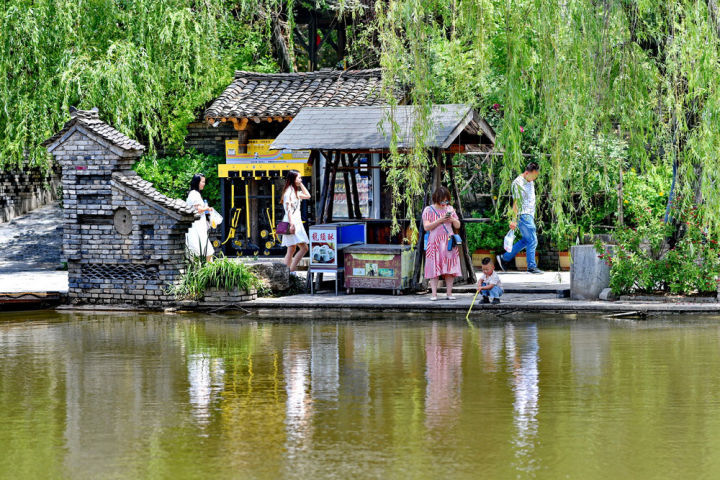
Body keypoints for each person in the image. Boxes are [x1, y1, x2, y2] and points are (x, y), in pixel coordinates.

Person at [497, 162, 544, 274]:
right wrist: (514, 220)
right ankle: (531, 267)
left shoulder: (530, 181)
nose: (534, 179)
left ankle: (504, 258)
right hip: (524, 215)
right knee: (533, 240)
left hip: (529, 215)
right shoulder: (518, 183)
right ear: (527, 173)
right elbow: (516, 203)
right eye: (533, 176)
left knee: (526, 240)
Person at [422, 186, 462, 301]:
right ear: (436, 199)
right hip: (434, 242)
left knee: (450, 268)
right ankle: (434, 294)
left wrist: (453, 220)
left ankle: (449, 293)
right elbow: (426, 227)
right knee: (433, 267)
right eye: (442, 200)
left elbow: (458, 225)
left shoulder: (450, 209)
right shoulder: (428, 210)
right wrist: (440, 220)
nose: (444, 203)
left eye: (446, 200)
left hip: (448, 242)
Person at [281, 170, 311, 272]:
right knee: (304, 248)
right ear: (293, 179)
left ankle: (286, 273)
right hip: (292, 222)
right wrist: (292, 224)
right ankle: (291, 271)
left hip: (290, 222)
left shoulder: (293, 192)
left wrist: (300, 183)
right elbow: (289, 209)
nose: (301, 179)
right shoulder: (290, 192)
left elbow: (308, 195)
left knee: (291, 249)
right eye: (299, 178)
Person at [185, 173, 214, 262]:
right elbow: (198, 209)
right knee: (205, 251)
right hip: (196, 227)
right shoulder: (194, 194)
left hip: (198, 227)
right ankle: (208, 271)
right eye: (202, 182)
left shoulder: (195, 194)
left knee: (205, 251)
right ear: (197, 182)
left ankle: (208, 271)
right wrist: (208, 208)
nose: (204, 184)